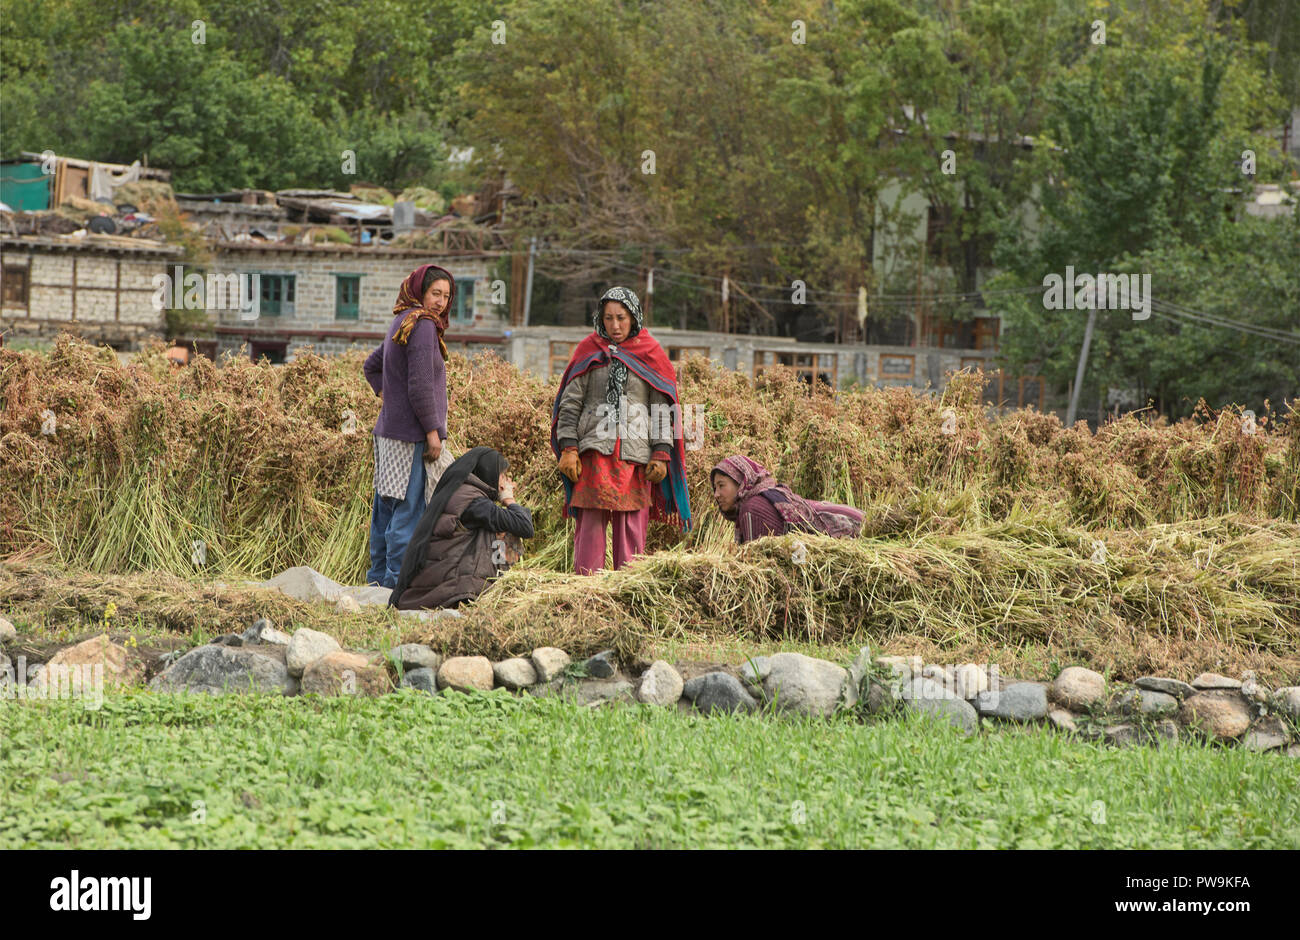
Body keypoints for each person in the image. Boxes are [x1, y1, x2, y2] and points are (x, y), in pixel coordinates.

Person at [550, 286, 691, 574]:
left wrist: (662, 452)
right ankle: (586, 592)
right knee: (589, 529)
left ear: (634, 317)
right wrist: (568, 447)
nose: (614, 326)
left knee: (631, 533)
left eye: (621, 318)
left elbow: (661, 406)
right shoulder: (588, 351)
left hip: (635, 457)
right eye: (608, 318)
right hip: (593, 454)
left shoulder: (650, 353)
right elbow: (570, 403)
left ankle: (627, 592)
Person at [362, 263, 454, 588]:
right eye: (435, 293)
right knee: (408, 507)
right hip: (411, 435)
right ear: (420, 292)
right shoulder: (424, 324)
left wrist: (391, 399)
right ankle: (396, 584)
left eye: (446, 295)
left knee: (386, 505)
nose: (440, 302)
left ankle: (377, 580)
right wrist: (432, 431)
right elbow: (420, 384)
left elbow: (371, 366)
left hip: (388, 433)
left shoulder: (401, 320)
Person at [390, 447, 533, 609]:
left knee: (501, 526)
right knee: (507, 527)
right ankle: (496, 582)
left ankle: (500, 581)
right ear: (489, 472)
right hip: (450, 582)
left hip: (442, 574)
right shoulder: (474, 503)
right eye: (502, 476)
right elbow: (525, 526)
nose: (505, 483)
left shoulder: (463, 492)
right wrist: (509, 499)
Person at [710, 455, 864, 545]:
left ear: (741, 482)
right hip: (856, 520)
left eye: (721, 485)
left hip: (853, 529)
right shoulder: (764, 497)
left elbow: (760, 570)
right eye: (715, 488)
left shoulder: (752, 509)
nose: (716, 494)